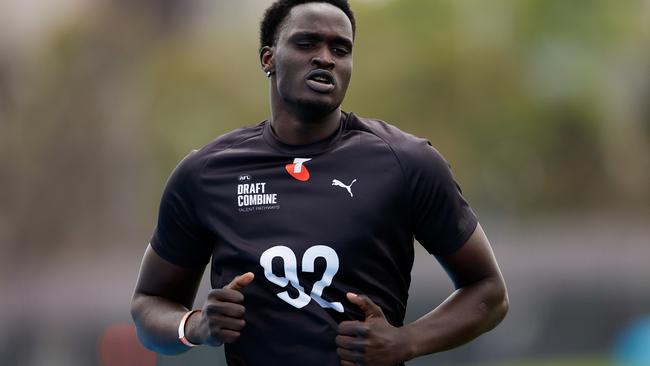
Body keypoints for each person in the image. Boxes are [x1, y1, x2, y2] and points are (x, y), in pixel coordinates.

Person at [130, 1, 508, 365]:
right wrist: (194, 326)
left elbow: (488, 292)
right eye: (307, 42)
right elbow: (149, 304)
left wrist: (405, 341)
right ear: (268, 58)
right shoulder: (205, 174)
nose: (325, 57)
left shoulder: (407, 162)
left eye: (340, 49)